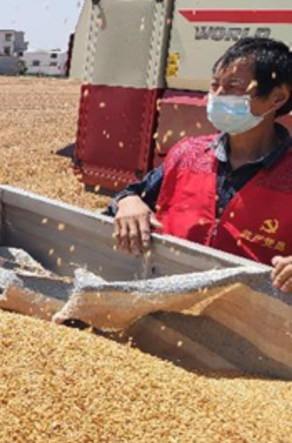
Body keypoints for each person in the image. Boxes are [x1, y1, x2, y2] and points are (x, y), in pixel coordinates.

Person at [111, 37, 292, 293]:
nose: (216, 97)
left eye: (233, 86)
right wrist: (128, 202)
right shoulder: (187, 155)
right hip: (164, 303)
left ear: (277, 98)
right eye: (215, 86)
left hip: (249, 321)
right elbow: (133, 195)